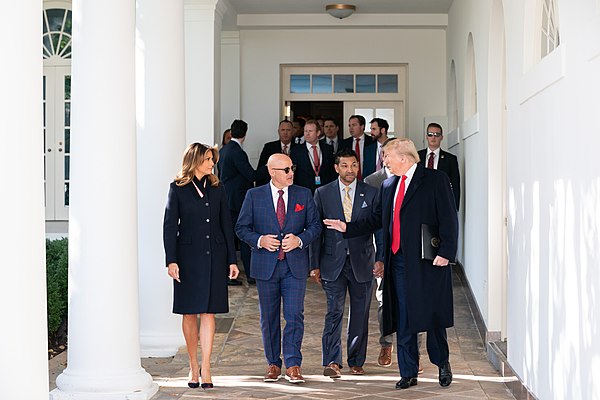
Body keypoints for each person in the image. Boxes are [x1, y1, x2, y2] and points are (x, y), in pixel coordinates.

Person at [324, 138, 458, 390]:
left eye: (387, 156)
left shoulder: (434, 179)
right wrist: (347, 227)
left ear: (403, 158)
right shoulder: (388, 185)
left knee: (432, 317)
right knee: (403, 318)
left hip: (428, 261)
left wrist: (447, 251)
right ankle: (408, 372)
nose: (384, 160)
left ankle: (442, 364)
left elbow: (449, 218)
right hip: (397, 263)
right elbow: (376, 219)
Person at [235, 153, 322, 384]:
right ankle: (273, 363)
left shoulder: (304, 194)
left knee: (294, 315)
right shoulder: (254, 195)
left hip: (294, 266)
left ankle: (293, 364)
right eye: (285, 170)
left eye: (291, 168)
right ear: (272, 171)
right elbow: (241, 228)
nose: (291, 172)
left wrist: (300, 240)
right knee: (269, 317)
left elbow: (315, 226)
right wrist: (260, 240)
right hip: (265, 266)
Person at [163, 143, 240, 389]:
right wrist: (171, 260)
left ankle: (206, 367)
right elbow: (169, 227)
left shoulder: (218, 188)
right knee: (189, 312)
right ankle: (193, 365)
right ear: (194, 160)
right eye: (207, 159)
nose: (211, 163)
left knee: (209, 312)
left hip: (215, 258)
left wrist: (231, 259)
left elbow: (226, 225)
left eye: (212, 159)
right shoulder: (177, 189)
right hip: (186, 259)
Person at [310, 148, 379, 378]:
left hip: (363, 261)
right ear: (336, 167)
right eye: (345, 166)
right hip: (332, 262)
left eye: (354, 165)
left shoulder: (371, 192)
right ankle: (331, 361)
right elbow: (315, 231)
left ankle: (356, 360)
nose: (350, 170)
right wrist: (314, 264)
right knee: (334, 312)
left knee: (360, 313)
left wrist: (380, 259)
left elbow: (378, 227)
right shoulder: (323, 193)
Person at [218, 119, 258, 285]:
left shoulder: (224, 150)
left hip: (227, 198)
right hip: (237, 201)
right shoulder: (237, 152)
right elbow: (251, 175)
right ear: (245, 134)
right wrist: (269, 168)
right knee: (243, 237)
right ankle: (249, 274)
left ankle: (229, 273)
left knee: (230, 236)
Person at [417, 123, 460, 210]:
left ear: (442, 137)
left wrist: (454, 208)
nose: (433, 137)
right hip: (420, 203)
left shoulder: (450, 159)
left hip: (442, 205)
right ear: (426, 137)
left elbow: (455, 185)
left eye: (437, 135)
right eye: (430, 134)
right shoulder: (416, 156)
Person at [290, 119, 336, 193]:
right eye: (305, 131)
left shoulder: (328, 149)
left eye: (310, 131)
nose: (307, 134)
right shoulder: (296, 151)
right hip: (304, 191)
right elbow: (293, 173)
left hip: (325, 191)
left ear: (318, 133)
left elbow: (332, 172)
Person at [256, 120, 296, 185]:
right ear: (278, 132)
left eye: (288, 130)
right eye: (283, 130)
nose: (285, 133)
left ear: (292, 132)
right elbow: (261, 170)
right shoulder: (269, 147)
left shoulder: (298, 148)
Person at [341, 115, 374, 180]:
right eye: (349, 125)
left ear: (362, 127)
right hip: (349, 179)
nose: (351, 128)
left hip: (369, 178)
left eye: (354, 125)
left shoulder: (372, 141)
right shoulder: (344, 143)